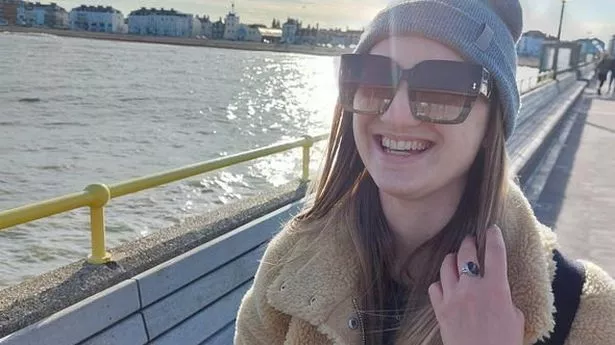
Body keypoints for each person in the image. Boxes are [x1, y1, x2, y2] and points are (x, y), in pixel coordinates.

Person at [234, 1, 615, 344]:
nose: (396, 114)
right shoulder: (291, 263)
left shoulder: (584, 309)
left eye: (444, 87)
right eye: (372, 77)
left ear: (491, 126)